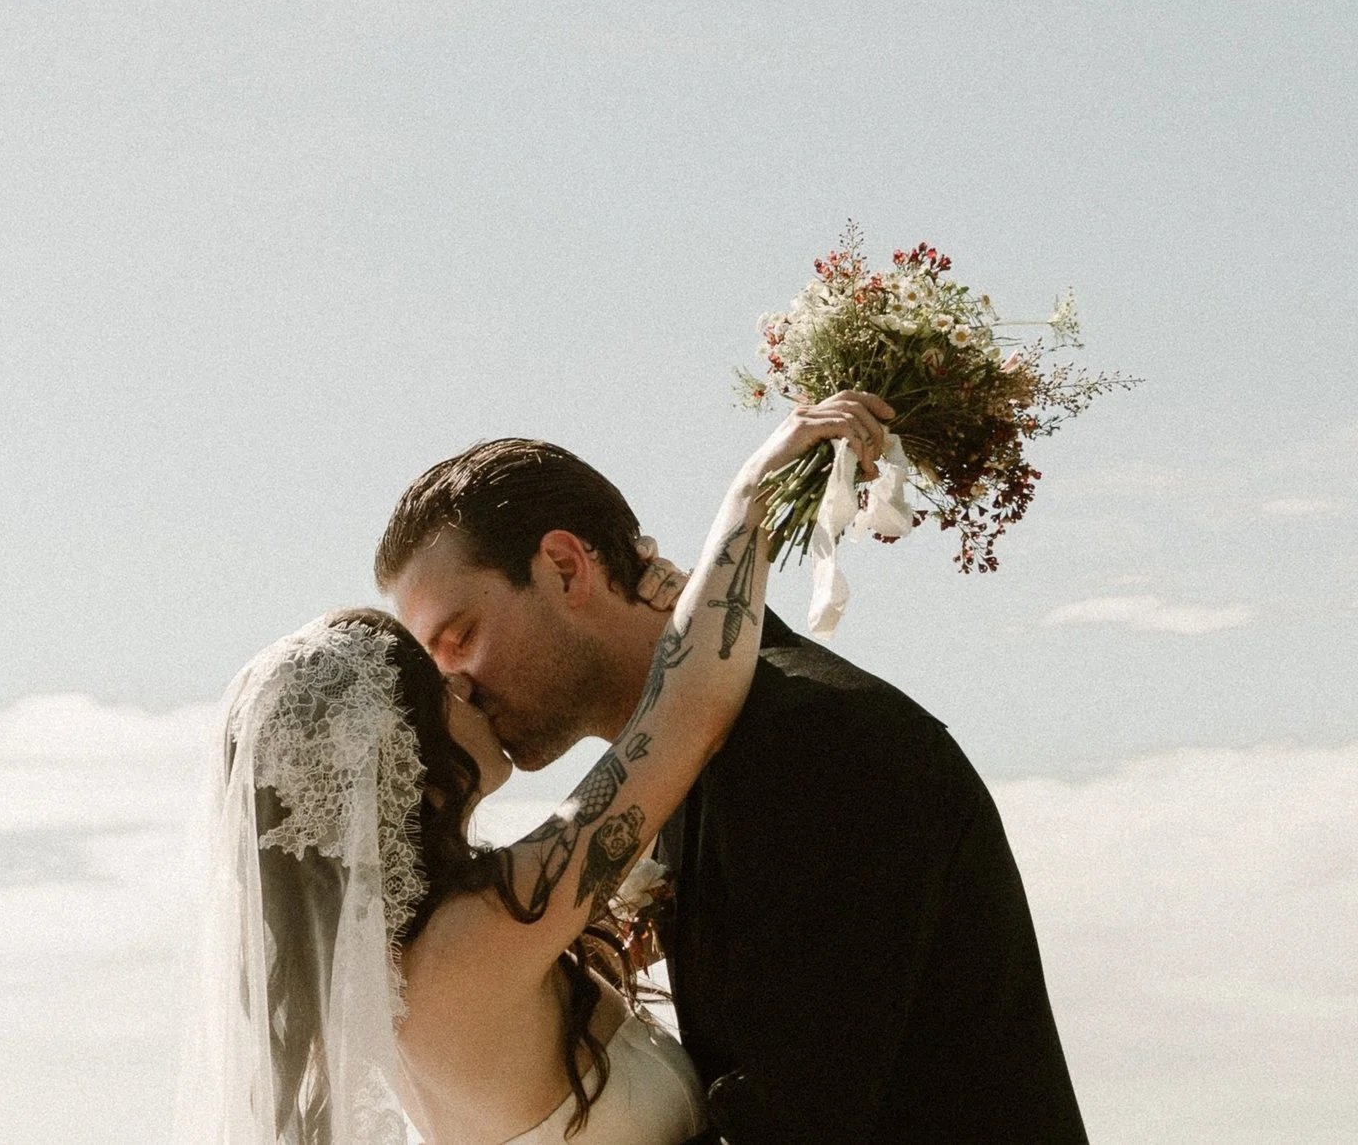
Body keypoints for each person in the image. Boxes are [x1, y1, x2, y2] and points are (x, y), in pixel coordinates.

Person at [174, 393, 886, 1145]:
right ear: (406, 765)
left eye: (456, 647)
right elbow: (684, 715)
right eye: (432, 681)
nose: (462, 684)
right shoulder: (475, 938)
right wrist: (751, 494)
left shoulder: (416, 969)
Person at [378, 410, 1089, 1144]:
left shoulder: (812, 736)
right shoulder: (681, 779)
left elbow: (800, 1109)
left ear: (564, 567)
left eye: (459, 636)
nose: (455, 689)